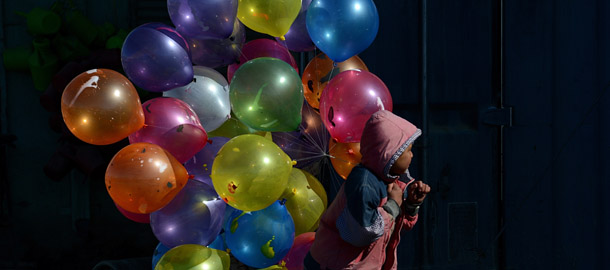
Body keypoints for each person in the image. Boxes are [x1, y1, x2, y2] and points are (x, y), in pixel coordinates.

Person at [304, 110, 431, 270]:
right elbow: (361, 233)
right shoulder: (363, 184)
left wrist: (411, 205)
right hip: (334, 265)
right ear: (389, 154)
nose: (412, 155)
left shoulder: (390, 181)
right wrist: (392, 206)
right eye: (408, 150)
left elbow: (395, 226)